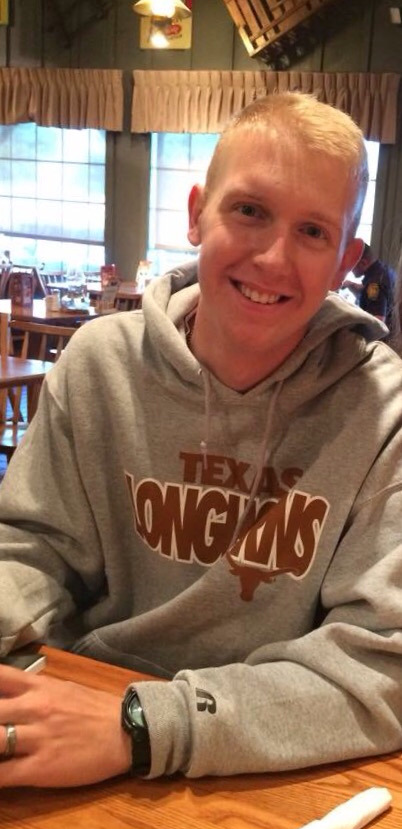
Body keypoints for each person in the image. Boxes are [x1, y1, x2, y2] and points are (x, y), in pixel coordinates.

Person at [1, 91, 402, 789]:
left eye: (313, 231)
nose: (273, 258)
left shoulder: (382, 409)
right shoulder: (99, 364)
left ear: (346, 262)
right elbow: (31, 550)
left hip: (269, 757)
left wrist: (146, 725)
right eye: (249, 210)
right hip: (80, 710)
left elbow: (382, 667)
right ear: (196, 213)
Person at [342, 242, 396, 328]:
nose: (349, 269)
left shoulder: (374, 284)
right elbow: (371, 294)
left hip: (384, 335)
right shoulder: (383, 270)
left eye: (351, 265)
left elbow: (377, 323)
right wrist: (351, 285)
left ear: (363, 263)